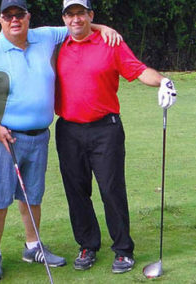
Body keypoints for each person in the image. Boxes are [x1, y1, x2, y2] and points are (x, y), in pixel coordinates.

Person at [0, 0, 122, 280]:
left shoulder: (44, 35)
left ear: (28, 17)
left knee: (33, 194)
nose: (15, 20)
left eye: (20, 14)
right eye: (9, 15)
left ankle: (33, 246)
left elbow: (76, 25)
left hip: (39, 134)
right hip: (2, 135)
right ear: (0, 20)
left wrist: (103, 27)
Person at [55, 0, 177, 274]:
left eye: (81, 13)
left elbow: (138, 69)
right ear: (64, 18)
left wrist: (163, 81)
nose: (76, 19)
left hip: (105, 129)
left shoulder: (111, 43)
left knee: (111, 189)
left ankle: (123, 249)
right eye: (70, 14)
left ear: (90, 15)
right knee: (76, 191)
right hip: (68, 129)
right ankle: (87, 245)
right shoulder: (56, 44)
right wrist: (101, 26)